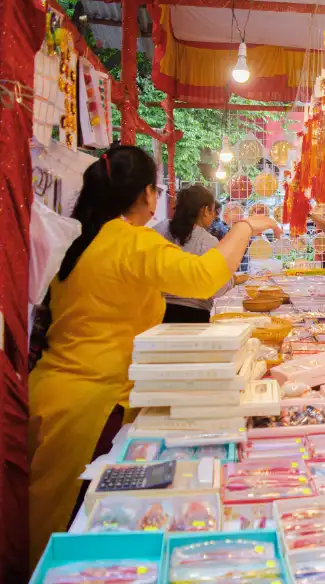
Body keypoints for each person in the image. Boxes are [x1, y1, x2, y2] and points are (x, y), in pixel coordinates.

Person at [28, 145, 281, 566]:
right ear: (147, 193)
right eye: (155, 188)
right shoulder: (130, 241)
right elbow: (202, 279)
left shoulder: (82, 234)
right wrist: (244, 229)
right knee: (68, 535)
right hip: (92, 407)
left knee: (48, 520)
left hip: (56, 394)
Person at [154, 185, 234, 323]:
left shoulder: (158, 230)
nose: (214, 216)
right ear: (205, 211)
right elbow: (219, 287)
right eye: (212, 210)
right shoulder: (208, 241)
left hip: (155, 314)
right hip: (194, 315)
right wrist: (231, 280)